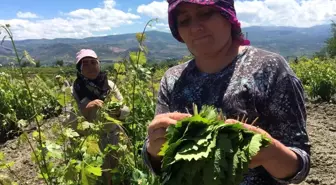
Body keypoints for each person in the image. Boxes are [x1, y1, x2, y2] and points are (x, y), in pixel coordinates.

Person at [142, 0, 311, 185]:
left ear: (227, 14)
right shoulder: (173, 79)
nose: (195, 27)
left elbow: (298, 166)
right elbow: (158, 164)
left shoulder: (269, 69)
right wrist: (154, 149)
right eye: (184, 20)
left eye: (205, 13)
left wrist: (269, 152)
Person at [71, 49, 130, 185]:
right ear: (79, 68)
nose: (91, 66)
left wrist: (118, 112)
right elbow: (69, 122)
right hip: (90, 144)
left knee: (118, 175)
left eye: (93, 62)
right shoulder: (74, 90)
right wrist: (86, 108)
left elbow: (127, 110)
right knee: (99, 178)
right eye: (85, 64)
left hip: (115, 140)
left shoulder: (109, 85)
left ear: (99, 64)